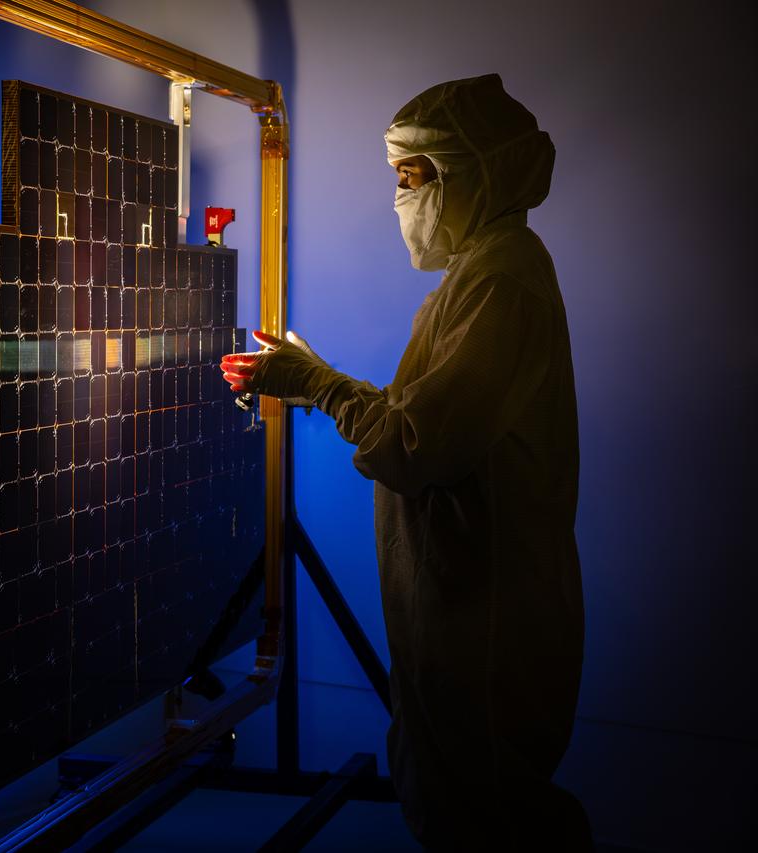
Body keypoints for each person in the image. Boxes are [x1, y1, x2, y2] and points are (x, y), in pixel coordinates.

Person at [220, 74, 593, 852]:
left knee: (493, 818)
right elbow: (421, 415)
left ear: (471, 172)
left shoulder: (503, 280)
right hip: (458, 601)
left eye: (408, 178)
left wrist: (316, 385)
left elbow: (415, 445)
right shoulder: (480, 274)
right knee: (460, 800)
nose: (399, 199)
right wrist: (318, 376)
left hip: (485, 616)